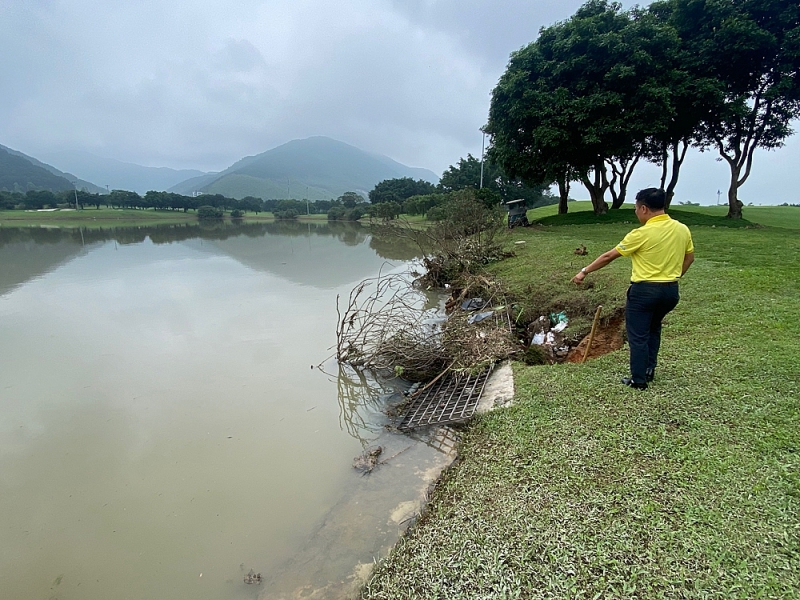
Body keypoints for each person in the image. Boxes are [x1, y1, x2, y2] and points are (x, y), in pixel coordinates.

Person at [571, 188, 694, 389]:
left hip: (644, 292)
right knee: (653, 328)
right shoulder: (682, 229)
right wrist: (675, 275)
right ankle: (649, 369)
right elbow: (690, 257)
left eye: (636, 208)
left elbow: (609, 256)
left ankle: (638, 380)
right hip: (670, 292)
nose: (636, 212)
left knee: (638, 335)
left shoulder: (641, 234)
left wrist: (584, 271)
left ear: (644, 208)